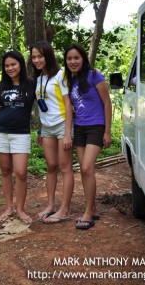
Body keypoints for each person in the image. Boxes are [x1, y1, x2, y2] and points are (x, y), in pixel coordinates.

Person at [0, 50, 36, 225]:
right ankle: (9, 207)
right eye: (7, 65)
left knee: (21, 172)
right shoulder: (1, 86)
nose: (10, 68)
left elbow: (45, 102)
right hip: (0, 133)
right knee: (5, 171)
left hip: (21, 134)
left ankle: (20, 209)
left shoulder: (31, 84)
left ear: (20, 64)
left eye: (13, 64)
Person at [63, 44, 112, 230]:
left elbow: (107, 103)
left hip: (96, 127)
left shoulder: (94, 75)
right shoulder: (72, 81)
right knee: (84, 171)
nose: (73, 62)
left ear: (83, 59)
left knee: (86, 167)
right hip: (80, 128)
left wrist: (107, 131)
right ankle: (91, 208)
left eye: (76, 58)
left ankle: (89, 212)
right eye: (69, 59)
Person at [29, 41, 74, 224]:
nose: (37, 60)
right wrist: (40, 129)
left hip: (62, 125)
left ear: (48, 56)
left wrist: (68, 133)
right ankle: (50, 206)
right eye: (33, 57)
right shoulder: (39, 79)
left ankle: (64, 210)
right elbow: (43, 106)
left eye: (40, 56)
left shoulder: (61, 75)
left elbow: (68, 104)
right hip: (47, 128)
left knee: (65, 167)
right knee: (51, 166)